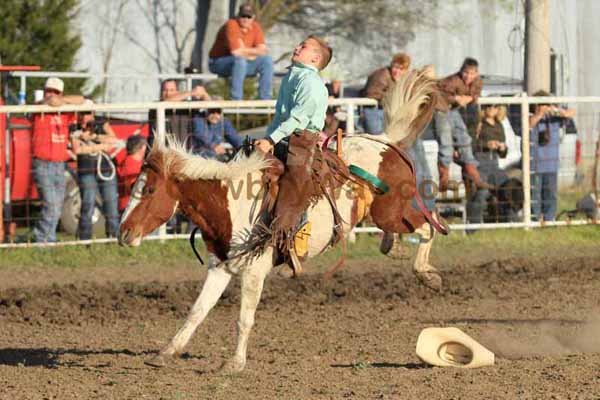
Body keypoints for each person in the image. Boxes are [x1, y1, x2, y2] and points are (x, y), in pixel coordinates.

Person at [254, 35, 333, 253]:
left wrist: (270, 139)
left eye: (304, 46)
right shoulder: (294, 76)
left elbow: (297, 119)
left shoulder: (310, 83)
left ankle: (297, 234)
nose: (297, 47)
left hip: (302, 142)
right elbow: (281, 117)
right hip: (284, 137)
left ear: (315, 58)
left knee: (296, 185)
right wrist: (269, 139)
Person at [31, 77, 85, 243]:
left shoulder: (66, 111)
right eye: (49, 90)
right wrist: (54, 100)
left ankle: (47, 239)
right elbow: (46, 102)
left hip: (59, 164)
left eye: (56, 92)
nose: (51, 95)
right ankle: (43, 239)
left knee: (57, 205)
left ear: (61, 93)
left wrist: (63, 101)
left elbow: (82, 100)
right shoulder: (38, 108)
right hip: (43, 162)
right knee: (51, 205)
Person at [70, 104, 121, 240]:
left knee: (111, 203)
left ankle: (114, 236)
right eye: (81, 113)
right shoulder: (74, 127)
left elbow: (113, 140)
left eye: (86, 113)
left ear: (92, 113)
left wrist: (95, 138)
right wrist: (101, 147)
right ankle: (84, 239)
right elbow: (77, 150)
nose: (84, 117)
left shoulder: (101, 123)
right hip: (86, 170)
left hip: (105, 169)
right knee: (88, 204)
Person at [437, 57, 485, 190]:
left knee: (464, 139)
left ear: (476, 74)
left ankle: (473, 173)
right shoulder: (452, 81)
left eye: (471, 73)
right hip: (442, 110)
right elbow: (439, 94)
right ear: (461, 71)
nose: (468, 76)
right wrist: (456, 98)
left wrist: (469, 98)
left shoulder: (478, 81)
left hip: (455, 111)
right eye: (466, 72)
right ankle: (444, 177)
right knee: (446, 144)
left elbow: (475, 94)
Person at [208, 3, 273, 100]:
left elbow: (264, 51)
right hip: (218, 63)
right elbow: (236, 52)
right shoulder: (231, 24)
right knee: (240, 60)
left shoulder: (256, 27)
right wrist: (255, 51)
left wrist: (245, 51)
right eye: (243, 16)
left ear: (253, 17)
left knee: (267, 60)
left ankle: (265, 99)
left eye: (249, 16)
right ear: (238, 16)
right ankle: (236, 99)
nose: (246, 19)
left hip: (242, 64)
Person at [529, 90, 576, 222]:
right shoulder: (531, 116)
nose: (544, 106)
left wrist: (556, 110)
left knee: (551, 195)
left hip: (551, 164)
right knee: (535, 195)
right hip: (535, 164)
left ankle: (549, 220)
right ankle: (534, 220)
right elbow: (528, 125)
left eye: (546, 103)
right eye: (541, 104)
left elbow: (571, 113)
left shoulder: (555, 118)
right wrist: (540, 113)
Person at [467, 104, 508, 225]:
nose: (492, 109)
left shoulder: (499, 125)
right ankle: (473, 226)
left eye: (495, 106)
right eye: (488, 106)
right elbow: (470, 145)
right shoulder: (478, 124)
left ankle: (506, 222)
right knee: (482, 193)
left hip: (495, 164)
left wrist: (502, 148)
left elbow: (503, 154)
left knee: (507, 189)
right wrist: (486, 145)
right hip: (480, 164)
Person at [148, 79, 211, 149]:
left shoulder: (185, 105)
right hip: (160, 153)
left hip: (182, 153)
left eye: (172, 90)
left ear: (177, 92)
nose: (168, 93)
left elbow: (209, 105)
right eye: (165, 90)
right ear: (161, 92)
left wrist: (204, 93)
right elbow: (167, 102)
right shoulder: (155, 106)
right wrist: (192, 92)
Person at [360, 53, 411, 134]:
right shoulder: (382, 75)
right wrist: (392, 98)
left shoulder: (402, 79)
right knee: (378, 139)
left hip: (388, 112)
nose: (397, 71)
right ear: (391, 65)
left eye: (401, 69)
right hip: (374, 110)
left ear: (406, 70)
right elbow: (371, 93)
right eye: (395, 67)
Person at [117, 135, 148, 214]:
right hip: (131, 207)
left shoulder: (132, 162)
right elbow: (132, 188)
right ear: (143, 148)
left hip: (134, 206)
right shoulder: (130, 164)